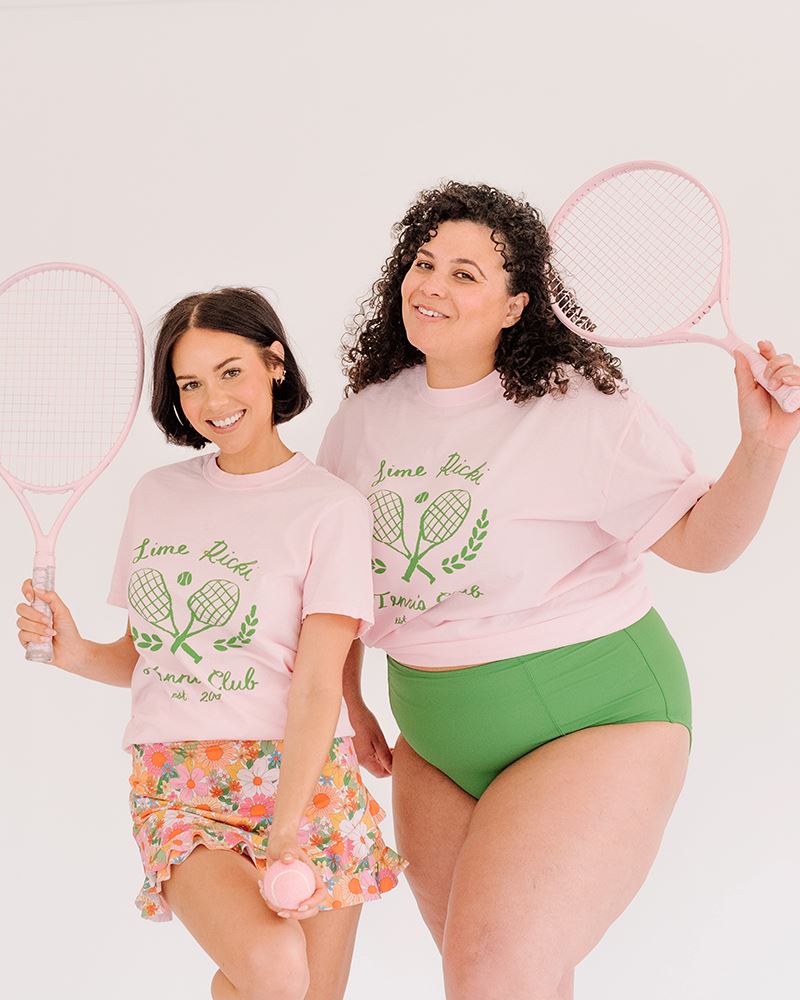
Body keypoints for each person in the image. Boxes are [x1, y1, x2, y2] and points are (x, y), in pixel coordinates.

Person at [316, 182, 800, 999]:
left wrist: (762, 447)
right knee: (502, 979)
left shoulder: (578, 408)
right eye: (423, 263)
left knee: (495, 972)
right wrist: (352, 703)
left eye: (466, 273)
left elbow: (704, 546)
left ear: (516, 306)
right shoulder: (364, 420)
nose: (431, 284)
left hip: (595, 720)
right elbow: (330, 586)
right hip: (432, 741)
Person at [15, 287, 405, 1000]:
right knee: (276, 968)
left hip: (306, 780)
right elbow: (145, 657)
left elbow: (319, 684)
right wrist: (73, 650)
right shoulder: (158, 496)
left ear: (275, 365)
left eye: (230, 371)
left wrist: (287, 824)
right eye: (189, 383)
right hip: (183, 784)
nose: (211, 400)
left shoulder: (331, 510)